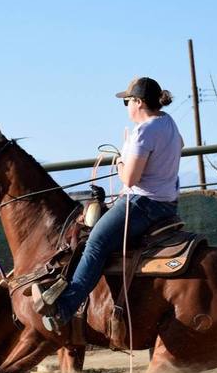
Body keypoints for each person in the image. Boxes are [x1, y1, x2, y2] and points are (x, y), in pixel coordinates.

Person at [34, 76, 183, 332]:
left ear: (137, 102)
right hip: (167, 203)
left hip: (142, 204)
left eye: (126, 101)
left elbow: (130, 178)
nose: (126, 106)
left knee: (95, 244)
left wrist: (120, 161)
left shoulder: (143, 132)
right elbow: (180, 145)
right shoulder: (168, 122)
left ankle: (64, 310)